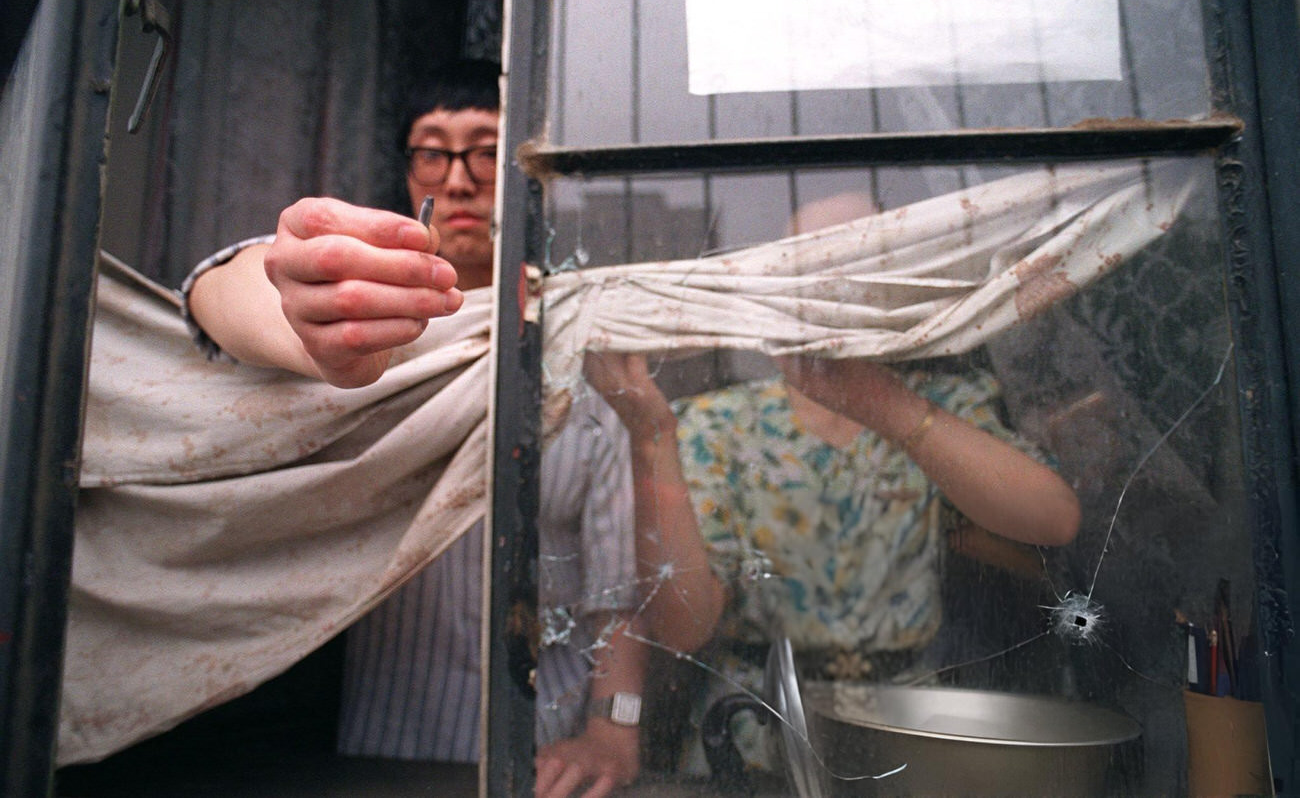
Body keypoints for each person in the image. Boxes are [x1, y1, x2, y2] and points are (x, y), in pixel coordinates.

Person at [185, 59, 646, 797]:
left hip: (545, 764)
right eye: (432, 150)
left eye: (487, 149)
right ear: (407, 173)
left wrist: (613, 732)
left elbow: (619, 589)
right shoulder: (364, 338)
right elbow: (222, 296)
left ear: (534, 173)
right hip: (379, 752)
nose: (457, 179)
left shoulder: (583, 353)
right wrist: (295, 312)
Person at [582, 191, 1082, 775]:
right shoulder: (721, 425)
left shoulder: (944, 406)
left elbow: (1056, 519)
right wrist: (651, 435)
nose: (836, 289)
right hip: (752, 740)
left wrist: (881, 404)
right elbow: (682, 626)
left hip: (910, 734)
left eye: (863, 264)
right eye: (815, 268)